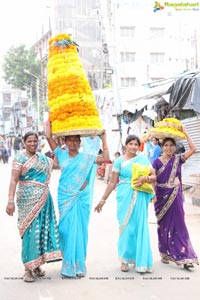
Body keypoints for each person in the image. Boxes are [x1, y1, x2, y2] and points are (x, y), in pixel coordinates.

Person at [45, 120, 110, 278]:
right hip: (65, 197)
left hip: (81, 199)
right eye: (70, 140)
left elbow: (106, 158)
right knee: (65, 230)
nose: (73, 143)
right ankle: (68, 262)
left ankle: (78, 265)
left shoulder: (86, 157)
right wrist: (51, 120)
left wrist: (103, 138)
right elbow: (48, 136)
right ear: (65, 142)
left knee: (80, 230)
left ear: (80, 142)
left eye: (75, 140)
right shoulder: (60, 154)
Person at [95, 134, 156, 273]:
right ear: (126, 146)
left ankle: (140, 260)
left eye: (136, 144)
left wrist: (145, 178)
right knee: (126, 227)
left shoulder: (143, 159)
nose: (134, 146)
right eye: (131, 144)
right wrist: (102, 200)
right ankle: (124, 259)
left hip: (140, 195)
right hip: (124, 196)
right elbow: (112, 182)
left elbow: (154, 176)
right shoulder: (119, 161)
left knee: (139, 227)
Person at [6, 131, 62, 283]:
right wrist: (10, 201)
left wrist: (57, 142)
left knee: (41, 230)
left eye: (35, 141)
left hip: (44, 199)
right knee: (30, 233)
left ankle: (37, 265)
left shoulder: (43, 158)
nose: (32, 144)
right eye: (29, 141)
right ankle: (27, 269)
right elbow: (13, 180)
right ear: (24, 142)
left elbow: (57, 164)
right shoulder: (19, 158)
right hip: (27, 200)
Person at [152, 129, 199, 269]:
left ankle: (185, 255)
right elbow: (153, 180)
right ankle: (165, 252)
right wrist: (153, 195)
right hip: (161, 197)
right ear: (161, 147)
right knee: (163, 225)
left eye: (171, 145)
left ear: (175, 147)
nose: (169, 148)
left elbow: (194, 149)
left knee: (179, 225)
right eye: (166, 145)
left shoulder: (178, 159)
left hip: (175, 196)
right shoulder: (156, 162)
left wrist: (186, 132)